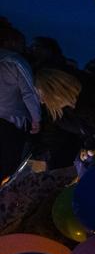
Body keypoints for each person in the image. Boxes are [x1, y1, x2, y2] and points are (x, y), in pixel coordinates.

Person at [0, 23, 40, 183]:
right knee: (6, 165)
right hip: (11, 121)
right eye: (21, 43)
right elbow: (29, 92)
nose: (24, 47)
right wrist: (36, 118)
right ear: (11, 41)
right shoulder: (15, 61)